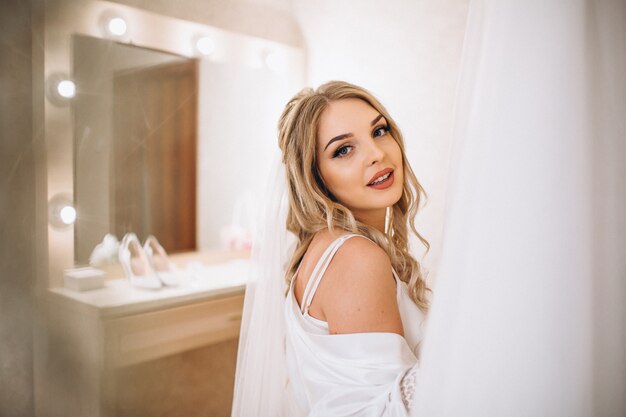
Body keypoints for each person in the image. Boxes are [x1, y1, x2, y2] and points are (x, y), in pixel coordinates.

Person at [232, 81, 430, 417]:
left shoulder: (327, 248)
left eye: (379, 131)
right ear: (316, 178)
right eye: (343, 150)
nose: (377, 154)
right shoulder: (355, 256)